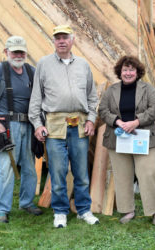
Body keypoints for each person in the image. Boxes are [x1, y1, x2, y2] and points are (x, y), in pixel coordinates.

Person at [28, 25, 99, 228]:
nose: (61, 41)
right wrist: (37, 124)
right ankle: (60, 212)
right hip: (54, 126)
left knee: (81, 171)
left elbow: (92, 97)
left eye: (65, 37)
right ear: (54, 41)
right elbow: (36, 98)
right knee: (58, 171)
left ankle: (84, 210)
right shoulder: (43, 64)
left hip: (80, 125)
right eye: (58, 37)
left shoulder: (83, 65)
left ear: (72, 40)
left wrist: (92, 119)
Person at [0, 36, 42, 223]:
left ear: (25, 52)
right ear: (6, 52)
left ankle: (26, 202)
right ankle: (1, 209)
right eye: (14, 51)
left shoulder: (32, 71)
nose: (18, 55)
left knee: (30, 167)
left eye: (21, 51)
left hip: (29, 124)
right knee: (6, 168)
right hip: (7, 125)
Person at [98, 55, 155, 226]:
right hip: (118, 138)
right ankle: (128, 210)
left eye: (131, 69)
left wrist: (136, 122)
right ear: (120, 72)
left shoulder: (148, 89)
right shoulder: (111, 91)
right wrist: (118, 121)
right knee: (122, 175)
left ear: (137, 72)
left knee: (149, 173)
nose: (128, 73)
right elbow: (103, 110)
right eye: (125, 70)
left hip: (143, 138)